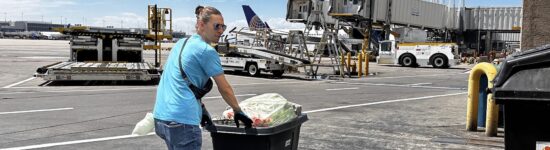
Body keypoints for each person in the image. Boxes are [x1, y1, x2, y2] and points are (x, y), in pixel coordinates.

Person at [153, 6, 253, 150]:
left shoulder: (181, 44)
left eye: (223, 27)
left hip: (161, 117)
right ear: (201, 25)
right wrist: (238, 110)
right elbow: (224, 88)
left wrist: (201, 109)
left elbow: (179, 81)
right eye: (216, 26)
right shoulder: (207, 51)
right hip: (183, 122)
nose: (221, 31)